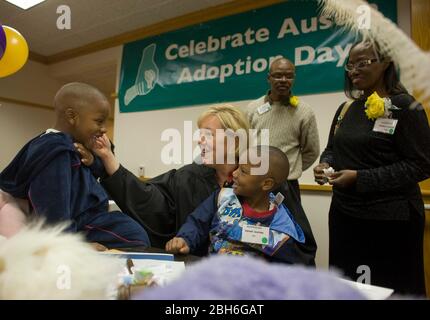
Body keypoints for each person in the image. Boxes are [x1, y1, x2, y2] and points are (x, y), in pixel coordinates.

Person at [83, 105, 317, 265]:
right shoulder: (188, 177)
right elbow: (149, 200)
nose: (198, 139)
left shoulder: (268, 180)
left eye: (207, 134)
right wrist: (108, 159)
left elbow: (298, 246)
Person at [313, 41, 430, 295]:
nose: (353, 70)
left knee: (390, 290)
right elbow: (332, 148)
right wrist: (325, 164)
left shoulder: (405, 107)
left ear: (386, 62)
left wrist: (360, 178)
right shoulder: (345, 109)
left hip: (390, 222)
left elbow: (421, 165)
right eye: (350, 64)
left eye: (362, 63)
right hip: (345, 217)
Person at [0, 82, 150, 249]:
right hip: (75, 225)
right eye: (99, 121)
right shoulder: (55, 151)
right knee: (134, 237)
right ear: (72, 116)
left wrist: (93, 160)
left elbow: (99, 169)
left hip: (89, 217)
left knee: (133, 230)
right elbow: (53, 211)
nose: (103, 129)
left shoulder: (78, 145)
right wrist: (76, 246)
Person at [165, 146, 306, 264]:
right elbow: (197, 222)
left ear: (266, 183)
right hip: (211, 276)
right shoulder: (223, 197)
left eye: (243, 171)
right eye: (238, 167)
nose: (235, 173)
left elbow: (284, 273)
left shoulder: (281, 231)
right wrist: (185, 239)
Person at [247, 57, 320, 199]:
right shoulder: (252, 108)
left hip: (287, 186)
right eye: (278, 75)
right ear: (269, 78)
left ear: (294, 78)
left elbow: (311, 151)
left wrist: (288, 170)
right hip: (256, 181)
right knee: (253, 222)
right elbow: (245, 146)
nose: (283, 80)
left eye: (289, 76)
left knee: (288, 221)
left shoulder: (304, 111)